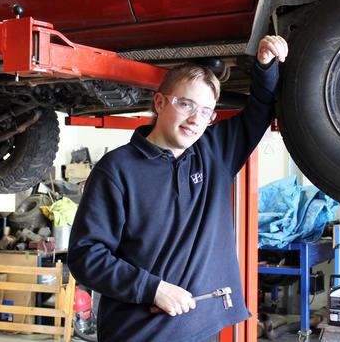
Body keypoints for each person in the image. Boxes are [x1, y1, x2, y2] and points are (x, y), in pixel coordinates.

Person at [67, 35, 289, 342]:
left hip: (199, 327)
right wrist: (153, 289)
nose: (196, 119)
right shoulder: (117, 169)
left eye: (206, 111)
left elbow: (261, 108)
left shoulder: (215, 153)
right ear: (160, 102)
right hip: (137, 334)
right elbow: (85, 256)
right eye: (186, 104)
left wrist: (265, 66)